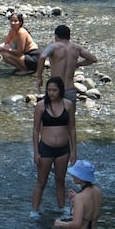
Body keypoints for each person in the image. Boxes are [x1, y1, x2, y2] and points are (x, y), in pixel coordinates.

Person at [32, 77, 77, 219]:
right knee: (41, 181)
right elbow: (35, 130)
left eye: (54, 90)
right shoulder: (40, 106)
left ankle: (62, 208)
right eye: (49, 90)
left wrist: (74, 151)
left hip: (63, 150)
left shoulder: (68, 105)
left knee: (60, 180)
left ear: (60, 91)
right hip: (45, 148)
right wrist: (36, 152)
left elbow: (72, 129)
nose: (51, 93)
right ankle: (34, 210)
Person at [34, 24, 98, 100]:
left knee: (52, 111)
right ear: (69, 36)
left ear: (56, 36)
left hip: (56, 88)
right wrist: (78, 64)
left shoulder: (53, 46)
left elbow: (42, 57)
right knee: (70, 111)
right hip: (70, 89)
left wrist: (39, 78)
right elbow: (93, 59)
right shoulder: (76, 47)